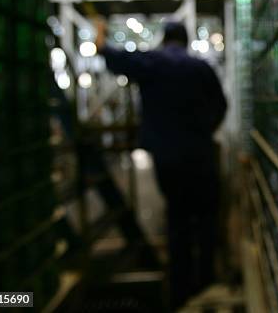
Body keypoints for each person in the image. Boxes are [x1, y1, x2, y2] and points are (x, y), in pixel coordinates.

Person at [95, 20, 227, 309]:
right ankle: (206, 280)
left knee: (177, 218)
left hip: (167, 158)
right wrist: (204, 130)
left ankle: (180, 290)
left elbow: (116, 60)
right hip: (199, 155)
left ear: (164, 39)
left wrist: (101, 39)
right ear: (186, 40)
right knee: (205, 219)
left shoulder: (152, 62)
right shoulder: (200, 68)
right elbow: (221, 105)